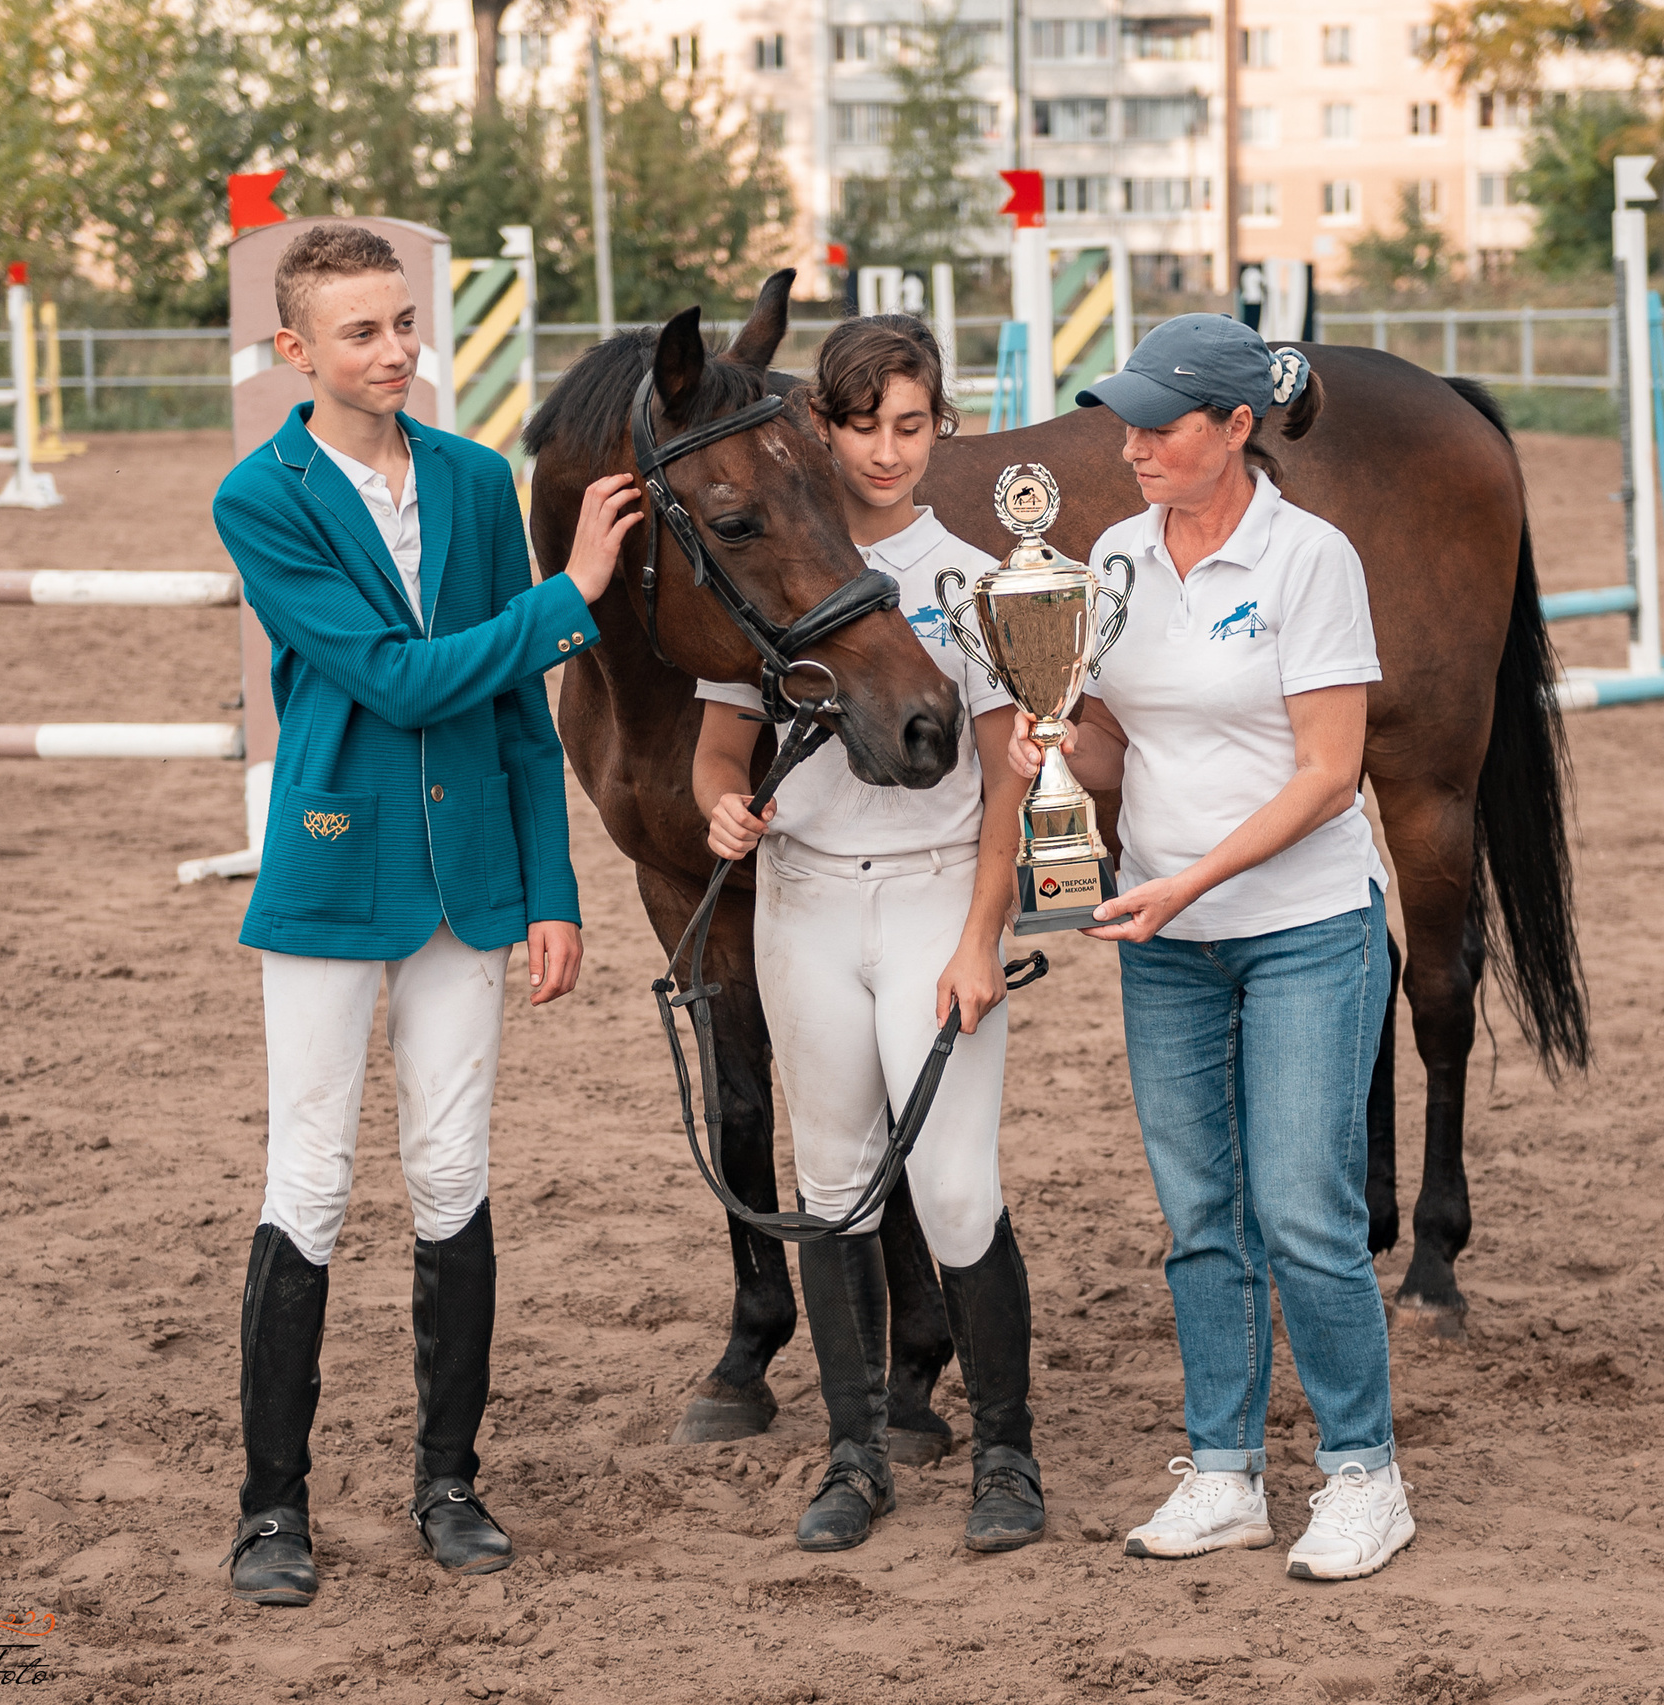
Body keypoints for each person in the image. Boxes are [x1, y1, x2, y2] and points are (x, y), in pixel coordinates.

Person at [210, 224, 638, 1606]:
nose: (394, 351)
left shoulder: (469, 477)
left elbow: (515, 713)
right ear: (297, 353)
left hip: (471, 883)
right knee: (313, 1183)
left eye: (404, 324)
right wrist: (570, 597)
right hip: (335, 866)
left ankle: (449, 1480)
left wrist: (554, 890)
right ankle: (272, 1508)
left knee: (453, 1173)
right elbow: (393, 680)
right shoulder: (258, 497)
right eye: (361, 333)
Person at [1011, 314, 1412, 1582]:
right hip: (1164, 933)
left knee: (1304, 1214)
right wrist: (1056, 751)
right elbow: (1132, 745)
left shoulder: (1310, 558)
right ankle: (1226, 1473)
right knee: (1198, 1217)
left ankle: (1362, 1474)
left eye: (1160, 424)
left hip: (1300, 927)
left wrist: (1187, 879)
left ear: (1238, 428)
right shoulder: (1116, 555)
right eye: (1123, 421)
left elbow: (1330, 775)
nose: (1130, 446)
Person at [691, 314, 1045, 1554]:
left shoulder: (972, 575)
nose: (887, 453)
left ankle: (1005, 1451)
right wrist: (721, 809)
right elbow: (716, 749)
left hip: (936, 897)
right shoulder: (773, 557)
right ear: (821, 430)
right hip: (804, 900)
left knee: (953, 1187)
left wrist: (982, 933)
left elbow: (1008, 779)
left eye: (912, 425)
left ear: (940, 428)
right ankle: (852, 1455)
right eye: (861, 426)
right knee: (833, 1186)